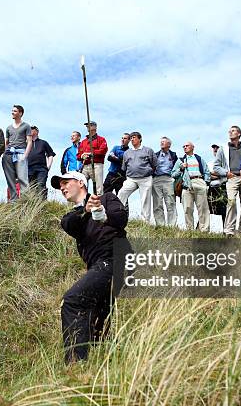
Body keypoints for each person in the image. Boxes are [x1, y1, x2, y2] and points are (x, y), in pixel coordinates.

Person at [50, 171, 128, 364]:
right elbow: (70, 224)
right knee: (97, 323)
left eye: (65, 182)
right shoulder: (72, 216)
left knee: (73, 301)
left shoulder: (108, 198)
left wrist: (103, 212)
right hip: (98, 267)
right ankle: (101, 368)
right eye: (60, 185)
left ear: (81, 183)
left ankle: (75, 366)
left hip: (115, 259)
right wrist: (87, 209)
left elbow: (121, 219)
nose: (62, 188)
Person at [213, 126, 241, 236]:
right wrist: (226, 173)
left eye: (233, 130)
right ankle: (229, 230)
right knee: (231, 202)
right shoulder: (222, 148)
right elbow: (216, 166)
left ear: (239, 133)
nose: (230, 132)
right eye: (229, 131)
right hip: (232, 177)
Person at [117, 131, 157, 224]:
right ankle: (117, 216)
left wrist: (148, 172)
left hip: (145, 178)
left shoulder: (148, 150)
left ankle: (145, 222)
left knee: (145, 200)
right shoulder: (127, 153)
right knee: (121, 193)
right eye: (131, 138)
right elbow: (124, 166)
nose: (132, 139)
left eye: (134, 137)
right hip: (131, 178)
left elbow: (154, 164)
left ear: (140, 139)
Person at [171, 141, 211, 231]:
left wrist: (206, 183)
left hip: (199, 182)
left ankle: (204, 230)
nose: (185, 147)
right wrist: (181, 168)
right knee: (187, 208)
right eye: (183, 146)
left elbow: (206, 171)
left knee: (203, 208)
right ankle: (190, 230)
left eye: (187, 146)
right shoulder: (180, 160)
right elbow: (173, 174)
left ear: (193, 147)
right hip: (186, 184)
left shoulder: (199, 159)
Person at [2, 105, 32, 202]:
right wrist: (4, 154)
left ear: (20, 113)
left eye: (15, 111)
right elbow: (6, 143)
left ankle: (25, 201)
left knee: (22, 178)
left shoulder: (26, 126)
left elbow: (29, 142)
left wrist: (25, 156)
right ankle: (13, 201)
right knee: (10, 179)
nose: (12, 112)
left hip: (20, 154)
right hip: (8, 155)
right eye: (12, 111)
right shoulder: (8, 128)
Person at [152, 136, 178, 226]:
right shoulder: (155, 155)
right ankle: (160, 225)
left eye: (164, 142)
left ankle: (172, 226)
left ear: (169, 144)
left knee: (170, 202)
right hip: (156, 179)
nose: (161, 143)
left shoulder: (173, 155)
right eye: (161, 142)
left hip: (168, 179)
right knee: (157, 203)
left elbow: (177, 167)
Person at [77, 121, 108, 195]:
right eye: (87, 126)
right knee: (81, 185)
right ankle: (82, 204)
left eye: (90, 125)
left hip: (97, 165)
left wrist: (91, 153)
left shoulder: (101, 139)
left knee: (99, 188)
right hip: (85, 166)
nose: (88, 127)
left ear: (95, 127)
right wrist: (82, 156)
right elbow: (78, 155)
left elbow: (103, 151)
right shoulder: (83, 142)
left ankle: (99, 205)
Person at [27, 126, 55, 199]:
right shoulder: (26, 143)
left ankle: (42, 203)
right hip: (29, 168)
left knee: (41, 185)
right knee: (31, 187)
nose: (30, 130)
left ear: (37, 131)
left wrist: (48, 167)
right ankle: (33, 205)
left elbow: (50, 155)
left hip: (41, 169)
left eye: (32, 129)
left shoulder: (43, 143)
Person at [207, 144, 227, 226]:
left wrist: (216, 174)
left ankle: (225, 230)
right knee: (208, 208)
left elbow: (226, 173)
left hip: (222, 187)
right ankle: (203, 229)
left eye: (217, 148)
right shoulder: (210, 162)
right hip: (211, 188)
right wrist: (218, 174)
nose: (215, 149)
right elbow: (207, 175)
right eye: (214, 148)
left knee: (224, 210)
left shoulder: (225, 162)